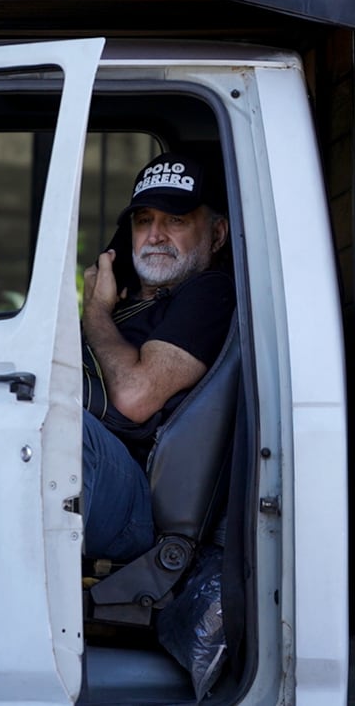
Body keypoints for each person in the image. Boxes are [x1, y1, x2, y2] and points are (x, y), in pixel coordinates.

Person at [80, 151, 236, 561]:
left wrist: (94, 311)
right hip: (94, 479)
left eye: (176, 220)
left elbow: (134, 398)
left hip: (132, 508)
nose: (155, 235)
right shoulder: (135, 303)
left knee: (50, 423)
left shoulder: (209, 293)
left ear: (217, 235)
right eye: (144, 220)